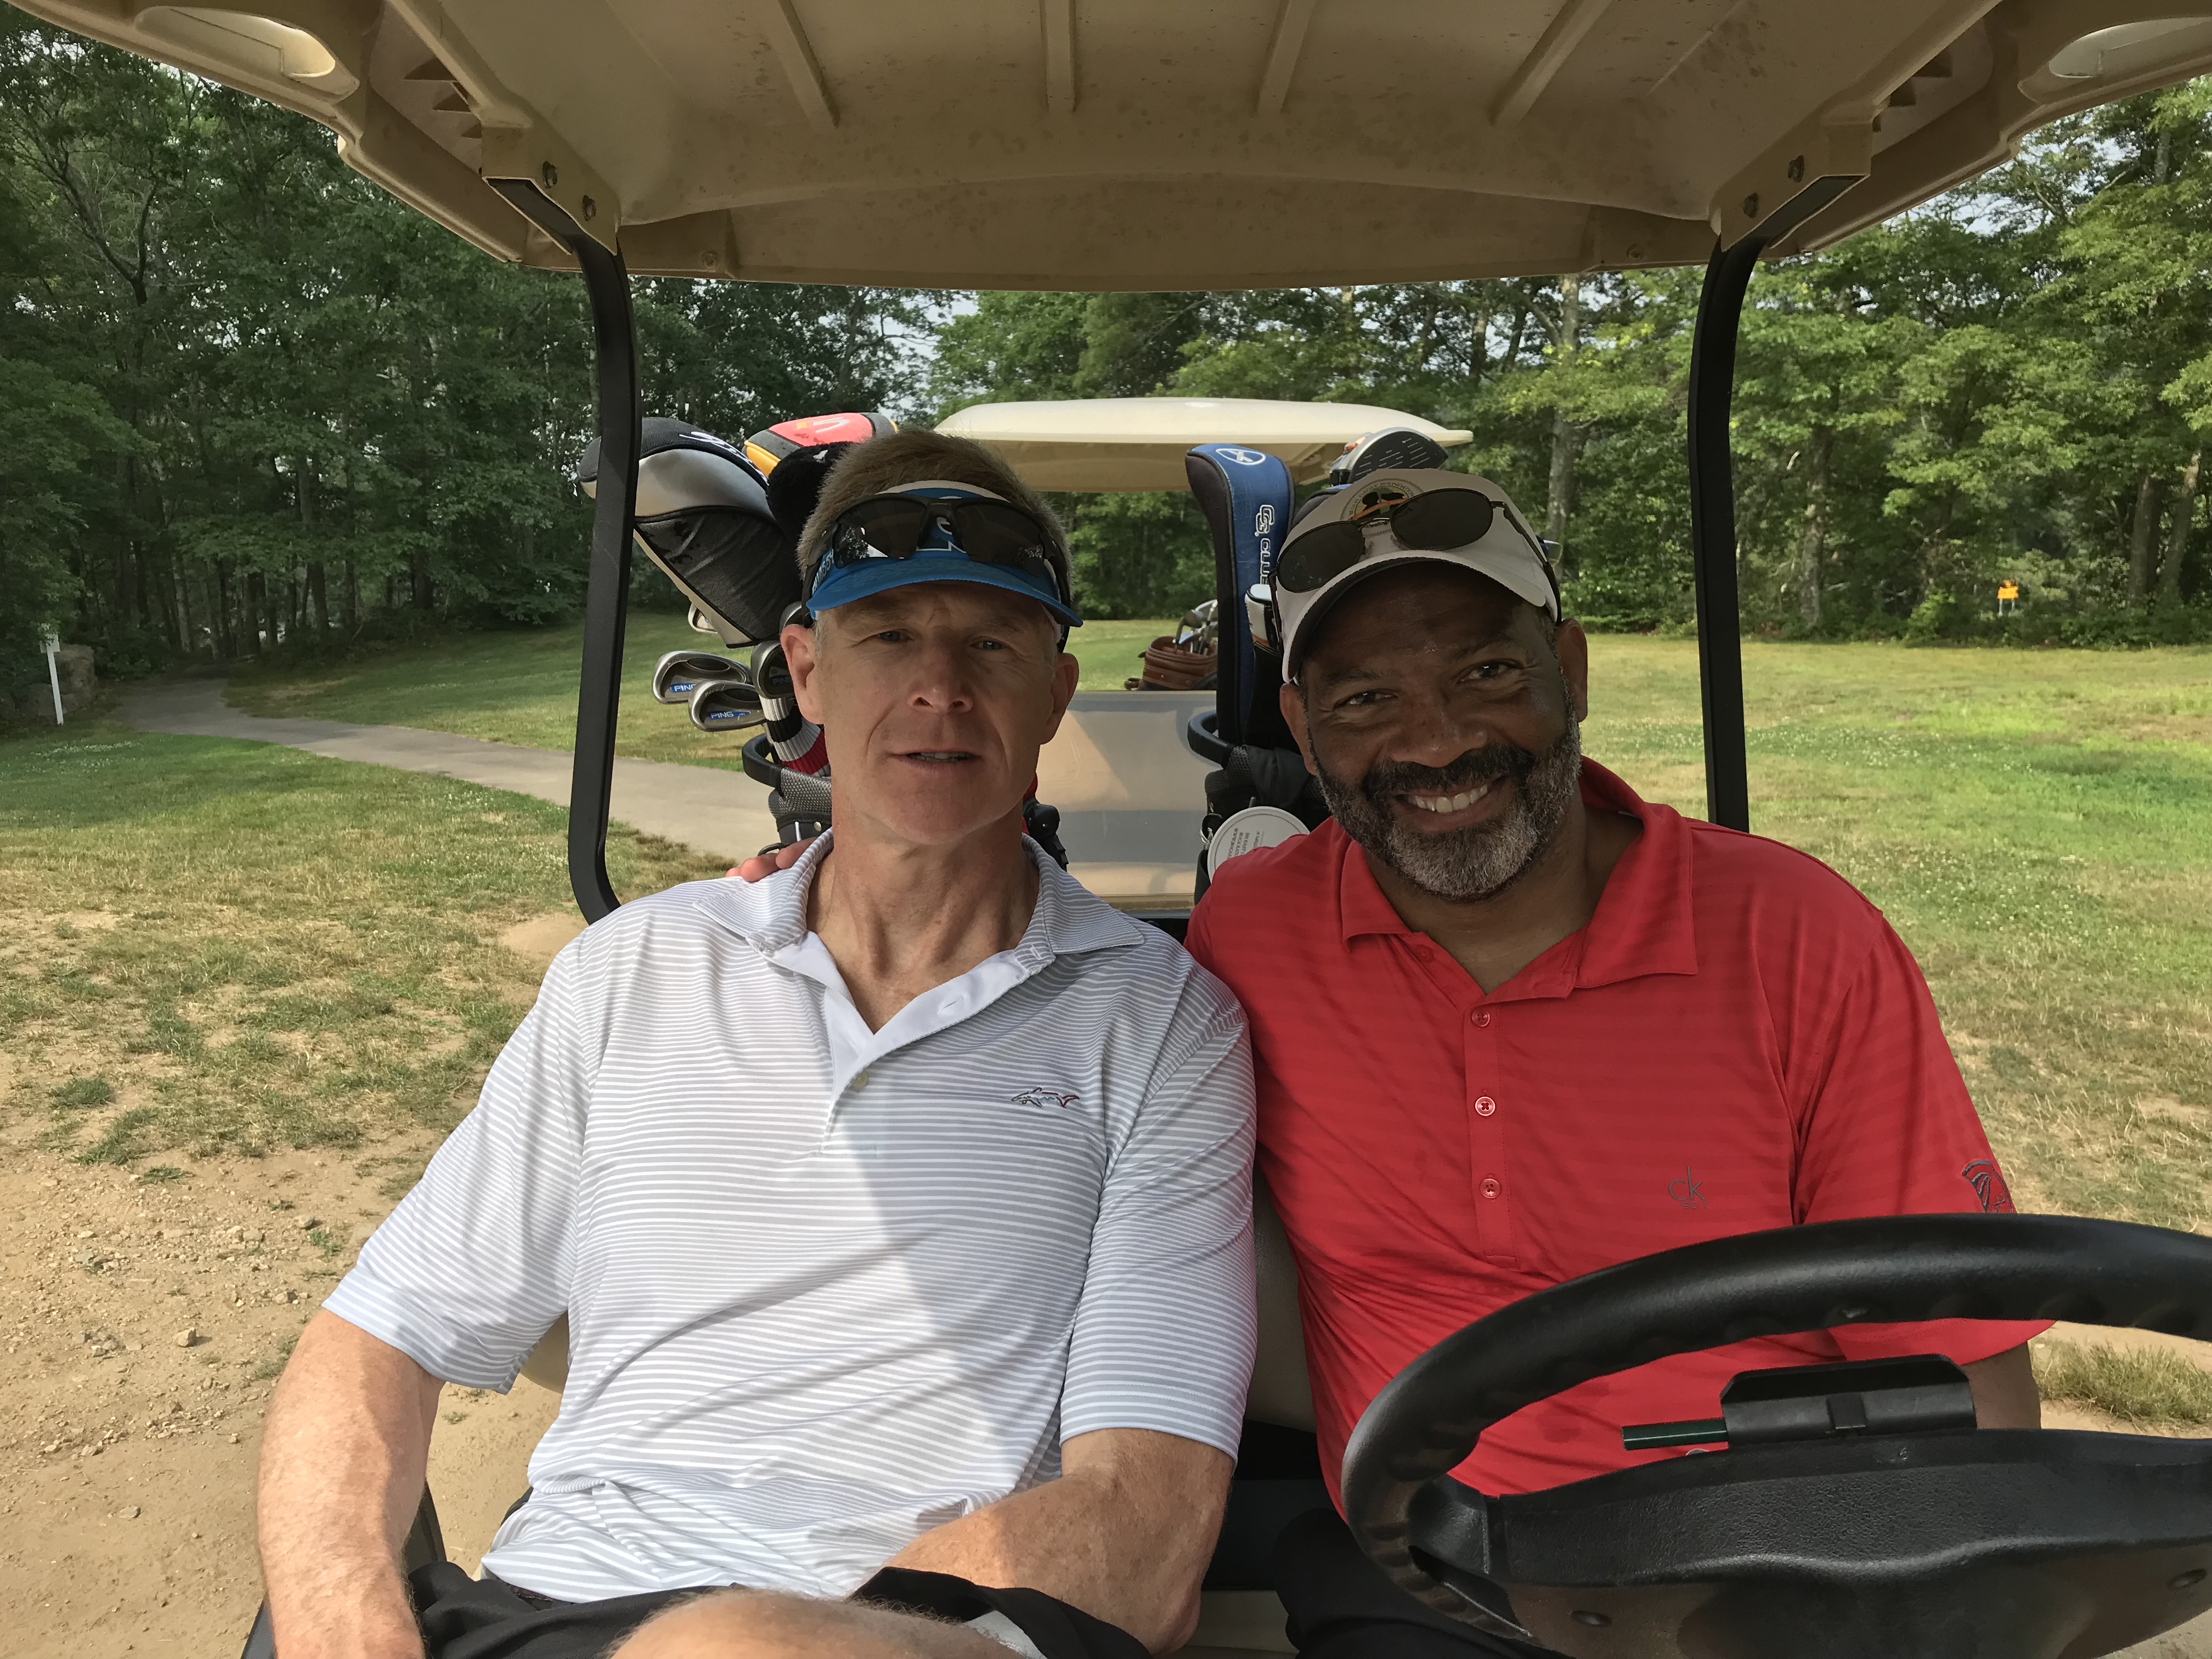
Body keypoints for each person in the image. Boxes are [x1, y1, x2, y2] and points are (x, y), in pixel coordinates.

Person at [255, 430, 1257, 1659]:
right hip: (547, 1609)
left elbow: (1145, 1524)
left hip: (908, 1632)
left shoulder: (1161, 1024)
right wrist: (342, 1625)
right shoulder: (635, 967)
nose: (939, 688)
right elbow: (381, 1333)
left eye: (991, 644)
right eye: (887, 637)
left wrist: (784, 1638)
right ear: (808, 672)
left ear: (1055, 694)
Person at [1183, 467, 2045, 1657]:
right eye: (1366, 698)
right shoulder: (1254, 933)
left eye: (1488, 673)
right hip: (1429, 1569)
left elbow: (1957, 1364)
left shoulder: (1793, 936)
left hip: (1773, 1576)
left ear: (1570, 669)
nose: (1437, 742)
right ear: (1301, 728)